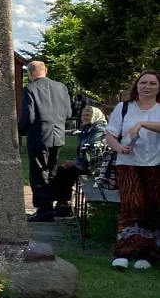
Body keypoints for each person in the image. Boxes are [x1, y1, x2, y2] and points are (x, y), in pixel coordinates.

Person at [105, 70, 160, 270]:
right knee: (132, 204)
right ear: (137, 86)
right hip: (128, 163)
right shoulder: (124, 108)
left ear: (158, 87)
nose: (147, 87)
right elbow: (110, 135)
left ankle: (148, 253)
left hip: (155, 164)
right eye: (143, 83)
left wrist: (143, 124)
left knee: (153, 207)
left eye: (152, 83)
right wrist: (119, 147)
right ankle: (124, 252)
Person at [18, 61, 72, 223]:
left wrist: (19, 130)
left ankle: (44, 210)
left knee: (39, 173)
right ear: (46, 70)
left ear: (29, 73)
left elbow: (29, 117)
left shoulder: (30, 88)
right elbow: (69, 112)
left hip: (39, 136)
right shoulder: (61, 87)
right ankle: (55, 204)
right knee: (52, 171)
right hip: (58, 135)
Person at [51, 106, 107, 217]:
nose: (84, 118)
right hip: (86, 163)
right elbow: (84, 152)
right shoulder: (88, 129)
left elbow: (94, 153)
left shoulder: (99, 129)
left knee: (66, 172)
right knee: (62, 170)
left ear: (95, 116)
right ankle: (62, 205)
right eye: (83, 115)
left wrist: (75, 162)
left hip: (96, 166)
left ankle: (63, 206)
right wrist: (75, 161)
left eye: (88, 115)